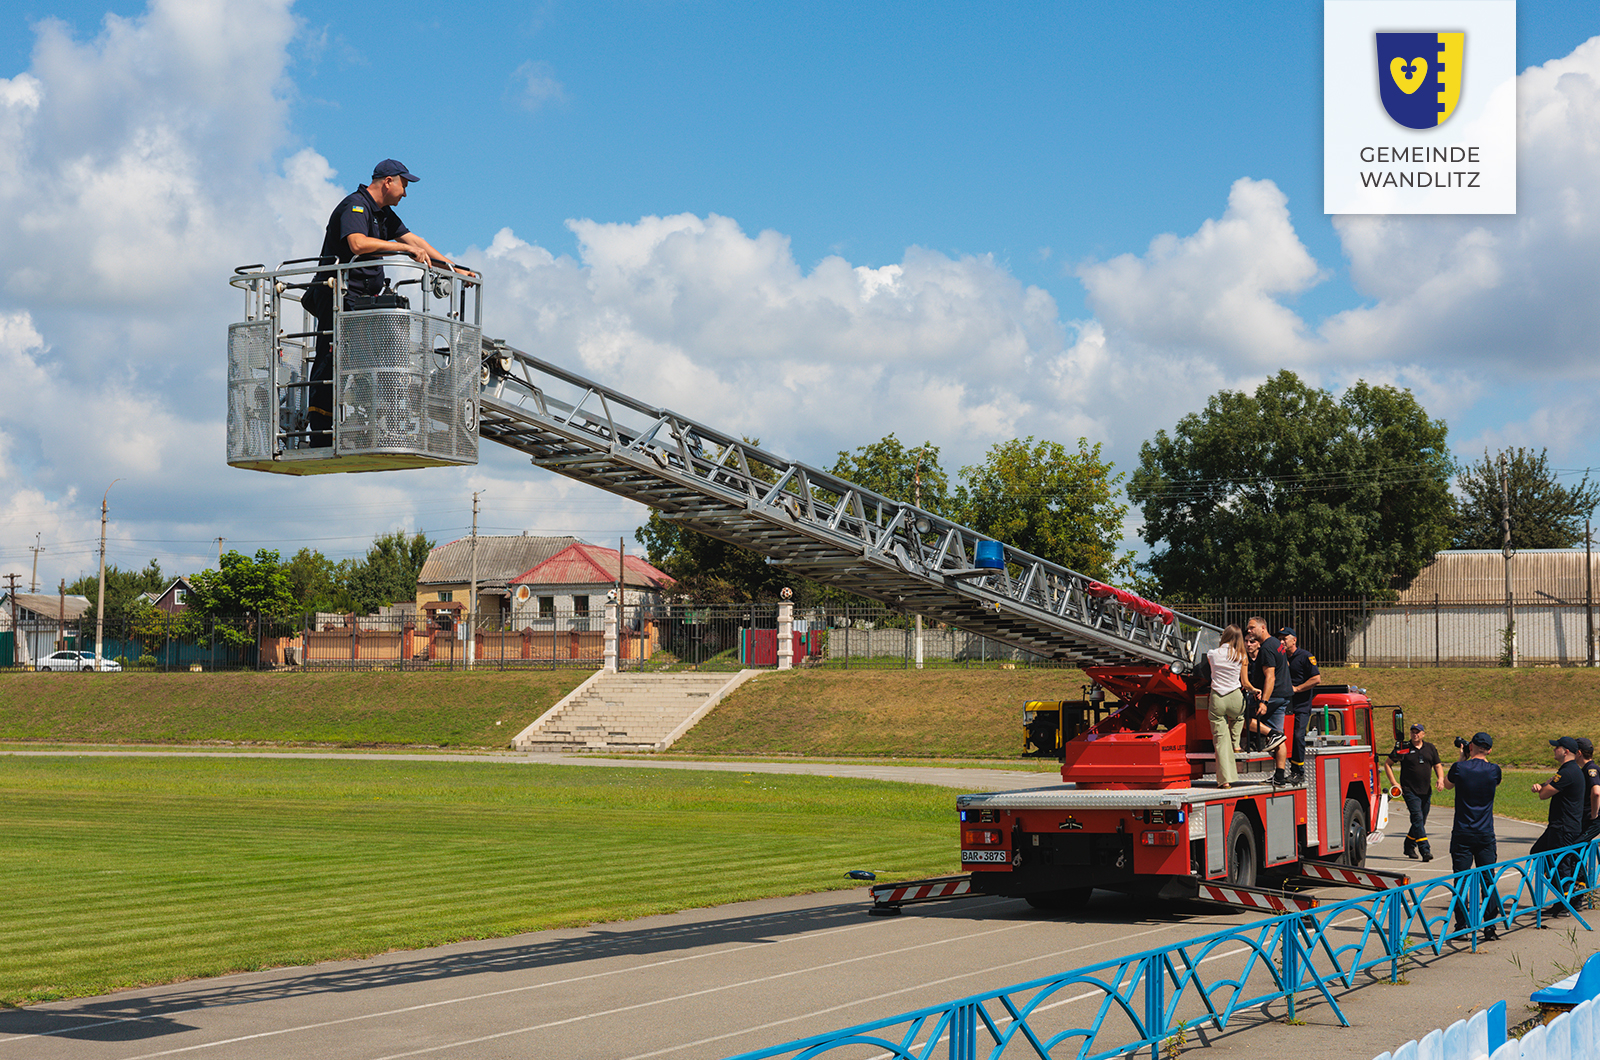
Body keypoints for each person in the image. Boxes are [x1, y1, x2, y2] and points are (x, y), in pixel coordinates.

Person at [304, 159, 474, 447]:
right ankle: (320, 432)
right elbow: (358, 244)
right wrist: (401, 248)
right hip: (338, 298)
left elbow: (416, 241)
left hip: (363, 302)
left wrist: (452, 268)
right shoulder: (355, 206)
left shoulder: (383, 215)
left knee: (373, 362)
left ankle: (370, 427)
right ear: (388, 181)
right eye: (404, 185)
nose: (405, 193)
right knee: (331, 361)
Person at [1444, 732, 1502, 939]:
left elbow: (1447, 784)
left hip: (1463, 831)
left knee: (1461, 879)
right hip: (1485, 831)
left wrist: (1461, 758)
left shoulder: (1459, 768)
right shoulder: (1494, 771)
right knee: (1488, 879)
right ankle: (1491, 926)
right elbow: (1494, 784)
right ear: (1489, 750)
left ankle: (1462, 926)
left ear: (1471, 747)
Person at [1531, 736, 1586, 917]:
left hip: (1563, 827)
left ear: (1566, 751)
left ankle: (1564, 904)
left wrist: (1543, 787)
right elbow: (1549, 784)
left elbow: (1544, 794)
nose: (1554, 750)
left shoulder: (1567, 772)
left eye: (1557, 748)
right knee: (1539, 852)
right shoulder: (1569, 770)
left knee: (1560, 864)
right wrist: (1545, 785)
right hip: (1562, 826)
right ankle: (1565, 898)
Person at [1385, 722, 1444, 861]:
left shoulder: (1430, 748)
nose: (1415, 734)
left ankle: (1409, 845)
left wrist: (1440, 779)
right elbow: (1388, 763)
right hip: (1409, 790)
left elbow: (1437, 765)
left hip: (1425, 790)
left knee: (1420, 821)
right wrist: (1394, 783)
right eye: (1412, 732)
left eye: (1418, 732)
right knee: (1417, 818)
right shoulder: (1403, 748)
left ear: (1423, 734)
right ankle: (1425, 850)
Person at [1244, 617, 1291, 785]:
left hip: (1274, 696)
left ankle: (1272, 734)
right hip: (1283, 695)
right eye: (1248, 629)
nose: (1249, 631)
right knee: (1280, 739)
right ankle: (1279, 776)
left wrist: (1264, 701)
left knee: (1242, 719)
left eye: (1251, 628)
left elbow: (1270, 677)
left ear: (1262, 627)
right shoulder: (1277, 644)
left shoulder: (1267, 648)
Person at [1204, 625, 1249, 788]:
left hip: (1218, 697)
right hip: (1235, 696)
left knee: (1220, 741)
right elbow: (1245, 682)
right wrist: (1254, 689)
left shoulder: (1212, 654)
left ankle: (1225, 781)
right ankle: (1236, 744)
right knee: (1238, 717)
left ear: (1224, 637)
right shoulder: (1241, 655)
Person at [1278, 626, 1321, 784]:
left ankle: (1298, 771)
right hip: (1284, 705)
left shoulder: (1305, 656)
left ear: (1294, 640)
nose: (1282, 642)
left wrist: (1296, 688)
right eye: (1280, 639)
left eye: (1285, 639)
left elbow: (1316, 679)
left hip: (1301, 705)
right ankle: (1280, 771)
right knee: (1281, 738)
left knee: (1297, 736)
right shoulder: (1281, 657)